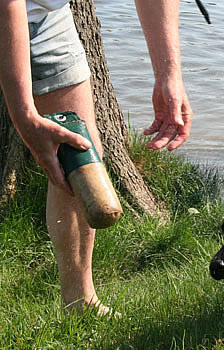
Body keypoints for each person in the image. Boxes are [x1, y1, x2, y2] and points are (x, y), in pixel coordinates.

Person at [0, 0, 193, 315]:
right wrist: (25, 116)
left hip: (47, 14)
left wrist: (168, 74)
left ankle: (79, 301)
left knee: (80, 151)